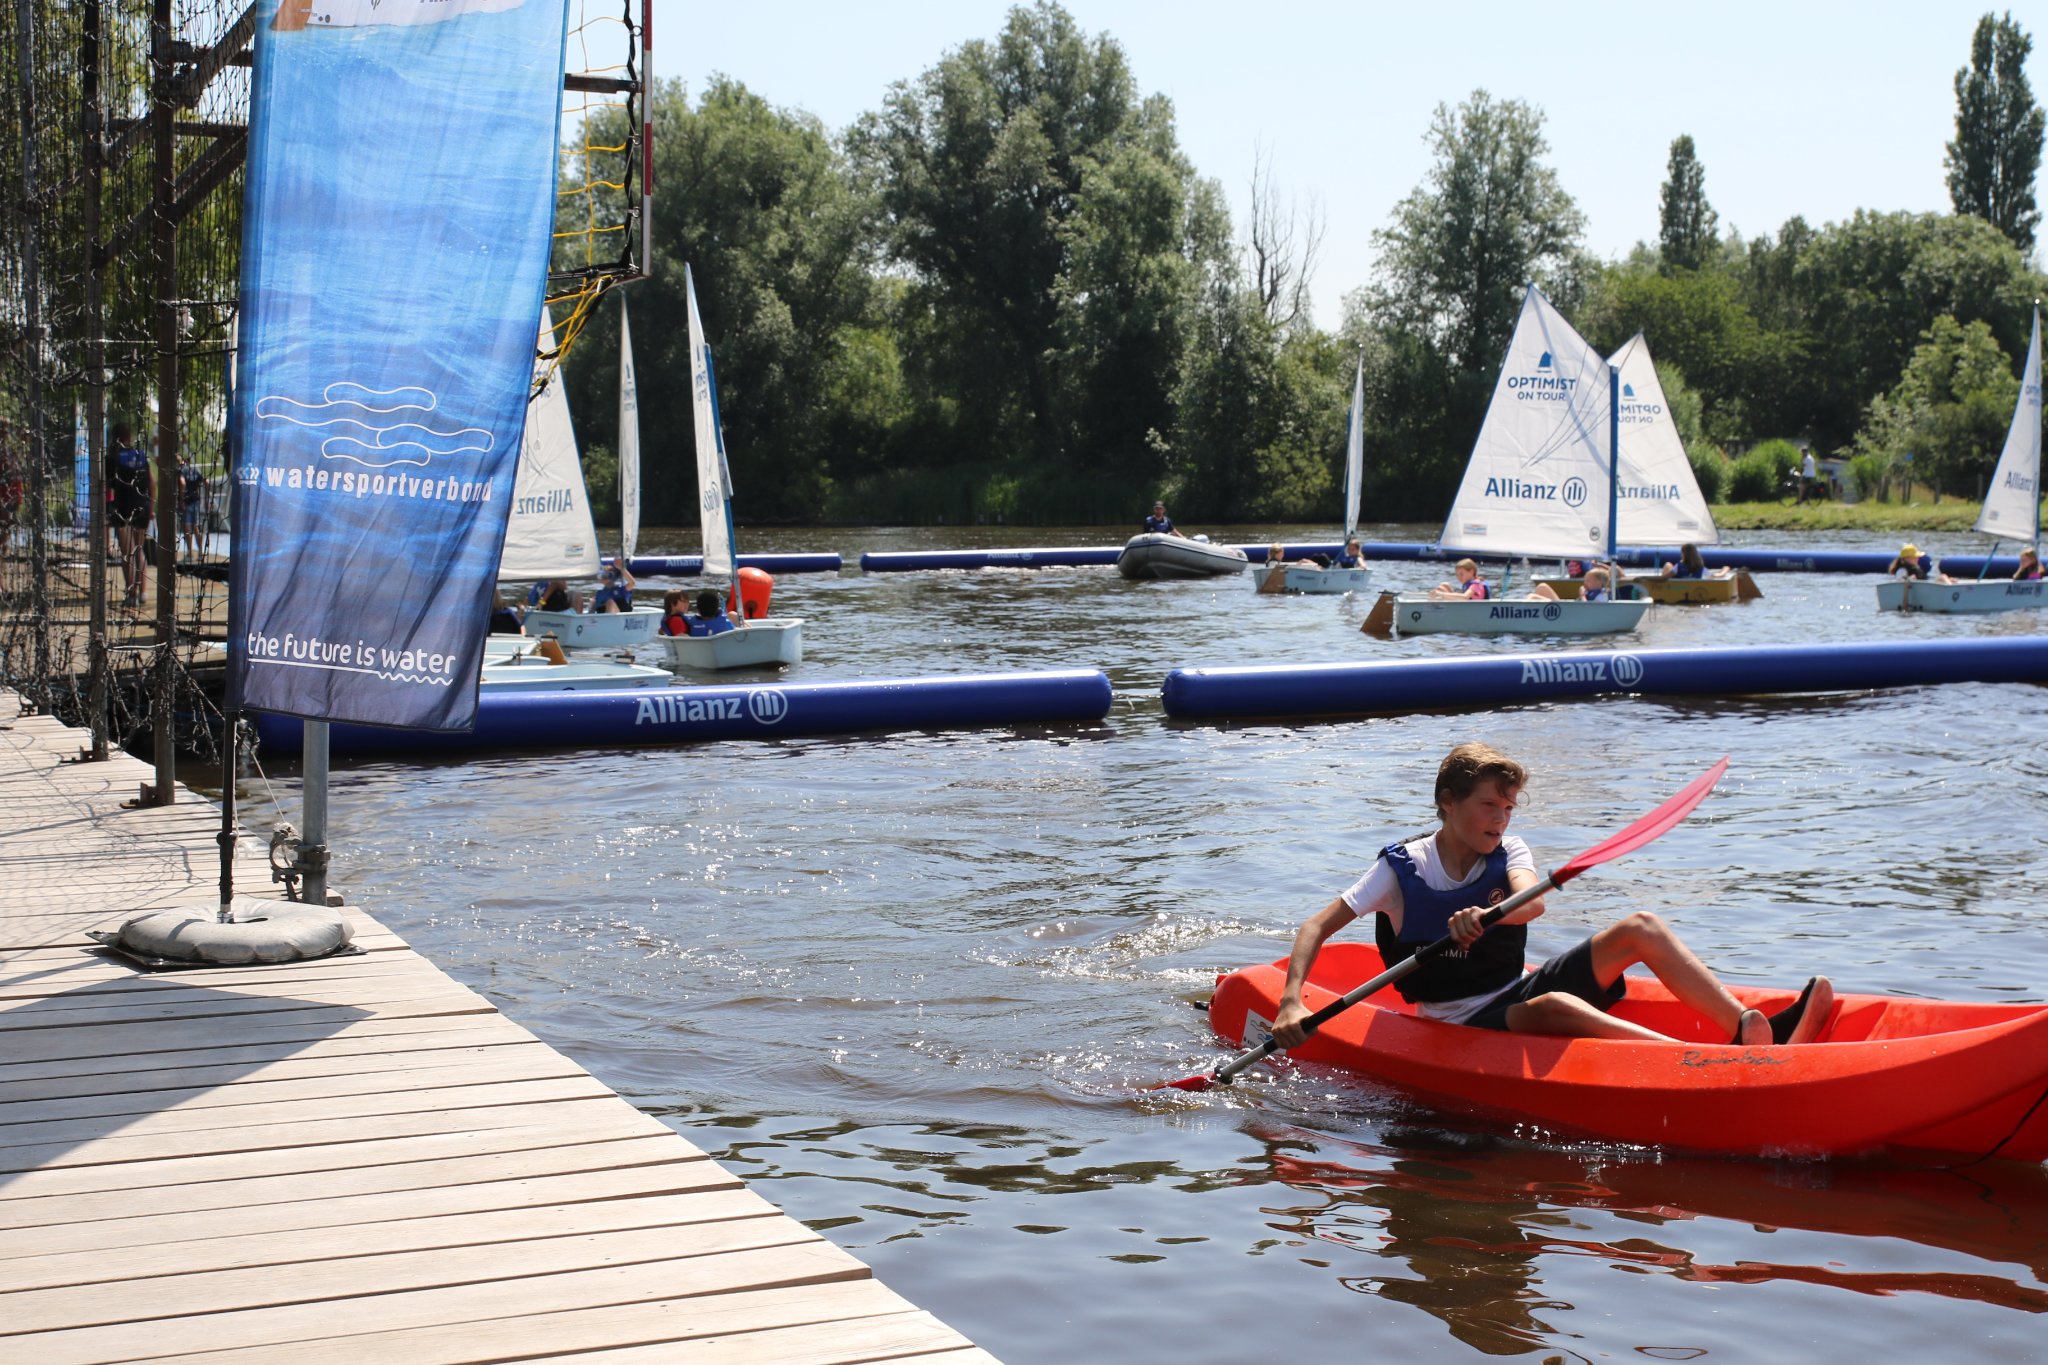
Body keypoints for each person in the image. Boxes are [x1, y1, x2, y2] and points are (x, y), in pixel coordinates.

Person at [1268, 742, 1834, 1051]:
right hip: (1459, 1021)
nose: (1501, 819)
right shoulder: (1401, 869)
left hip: (1515, 987)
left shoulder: (1509, 850)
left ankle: (1748, 1029)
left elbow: (1532, 902)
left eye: (1508, 807)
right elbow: (1316, 926)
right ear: (1448, 802)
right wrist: (1291, 1002)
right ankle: (1695, 1062)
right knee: (1555, 1007)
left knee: (1641, 926)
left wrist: (1487, 916)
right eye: (1489, 805)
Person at [105, 421, 152, 607]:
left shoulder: (112, 458)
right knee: (139, 550)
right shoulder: (141, 455)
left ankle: (131, 594)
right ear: (129, 436)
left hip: (123, 507)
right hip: (143, 506)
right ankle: (143, 592)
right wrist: (151, 507)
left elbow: (107, 485)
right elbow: (152, 483)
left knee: (127, 553)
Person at [176, 453, 207, 561]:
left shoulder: (181, 471)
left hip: (187, 502)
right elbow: (206, 481)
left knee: (187, 528)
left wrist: (181, 499)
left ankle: (190, 553)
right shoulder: (195, 470)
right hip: (196, 501)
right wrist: (207, 498)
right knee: (196, 527)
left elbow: (182, 483)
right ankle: (200, 552)